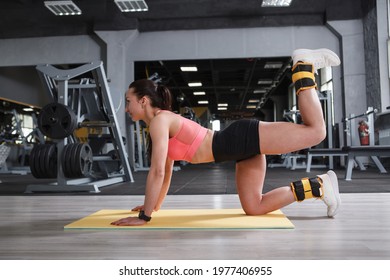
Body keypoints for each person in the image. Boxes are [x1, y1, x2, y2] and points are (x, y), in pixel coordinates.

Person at [111, 48, 341, 226]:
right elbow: (166, 172)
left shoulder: (161, 121)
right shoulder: (160, 124)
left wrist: (145, 216)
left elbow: (157, 171)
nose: (126, 108)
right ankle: (319, 186)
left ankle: (303, 67)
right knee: (254, 207)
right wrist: (154, 206)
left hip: (240, 138)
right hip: (238, 150)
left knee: (317, 132)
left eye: (128, 101)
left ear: (143, 100)